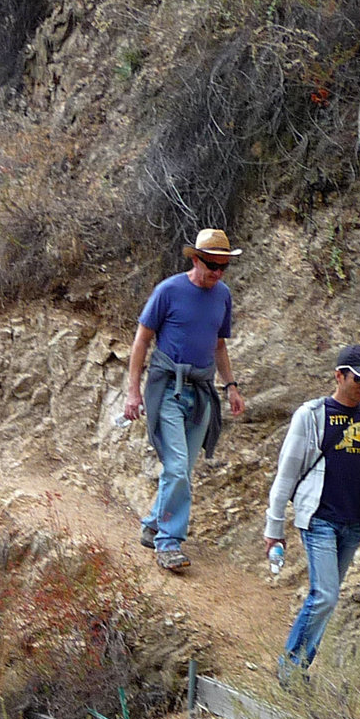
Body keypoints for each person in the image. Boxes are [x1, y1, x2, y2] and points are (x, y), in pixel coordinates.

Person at [262, 344, 360, 677]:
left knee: (327, 597)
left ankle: (298, 670)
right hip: (319, 518)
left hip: (354, 522)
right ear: (339, 376)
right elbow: (287, 472)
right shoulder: (312, 415)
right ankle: (290, 672)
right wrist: (274, 526)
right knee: (325, 595)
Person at [122, 229, 247, 573]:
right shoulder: (168, 291)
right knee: (177, 468)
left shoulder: (222, 295)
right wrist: (133, 392)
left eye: (223, 267)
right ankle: (168, 543)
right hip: (168, 389)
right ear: (195, 259)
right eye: (211, 265)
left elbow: (219, 346)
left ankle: (152, 523)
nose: (217, 273)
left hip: (203, 391)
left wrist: (231, 386)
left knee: (182, 470)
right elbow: (141, 340)